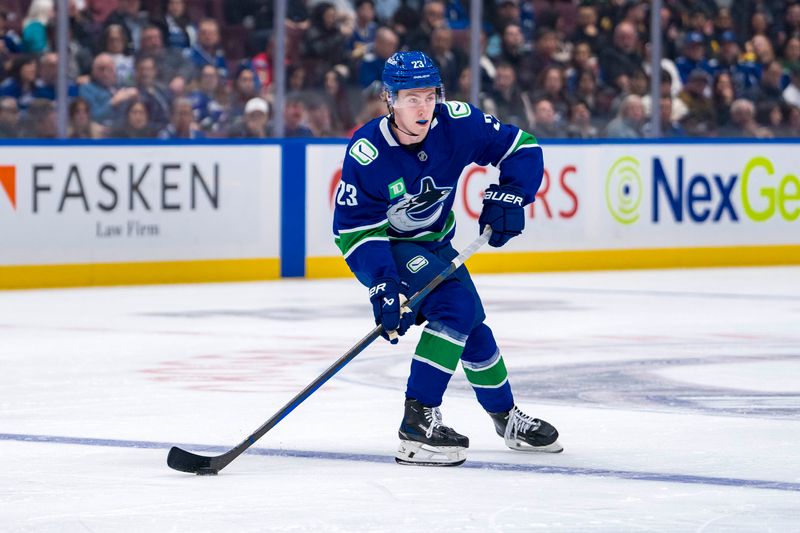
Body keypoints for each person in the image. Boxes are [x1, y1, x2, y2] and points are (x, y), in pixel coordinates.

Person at [332, 51, 562, 467]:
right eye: (411, 98)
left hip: (436, 243)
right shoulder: (367, 152)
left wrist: (513, 193)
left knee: (471, 321)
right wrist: (384, 283)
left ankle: (505, 417)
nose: (424, 108)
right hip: (392, 246)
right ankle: (417, 425)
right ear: (389, 99)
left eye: (429, 95)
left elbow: (522, 147)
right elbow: (354, 232)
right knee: (454, 307)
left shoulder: (456, 122)